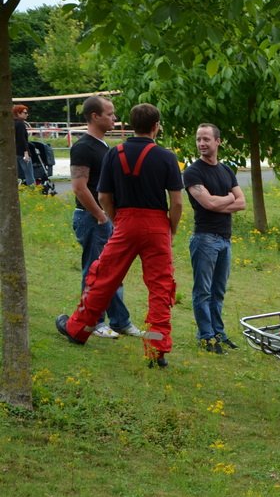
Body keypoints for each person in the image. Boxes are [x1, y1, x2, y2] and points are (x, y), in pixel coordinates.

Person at [56, 103, 183, 368]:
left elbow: (104, 196)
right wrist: (170, 229)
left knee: (102, 278)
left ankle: (77, 329)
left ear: (130, 126)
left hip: (124, 222)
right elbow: (177, 202)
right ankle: (157, 349)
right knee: (160, 287)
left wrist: (115, 220)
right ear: (156, 126)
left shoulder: (114, 154)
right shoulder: (167, 157)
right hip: (157, 225)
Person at [68, 96, 144, 340]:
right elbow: (80, 187)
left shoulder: (103, 147)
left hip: (107, 220)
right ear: (94, 116)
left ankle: (120, 321)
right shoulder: (83, 147)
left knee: (112, 271)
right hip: (92, 220)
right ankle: (93, 321)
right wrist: (101, 216)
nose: (114, 118)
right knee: (95, 271)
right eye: (110, 114)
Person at [183, 123, 246, 353]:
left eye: (206, 139)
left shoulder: (227, 170)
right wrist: (228, 198)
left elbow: (243, 203)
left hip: (225, 239)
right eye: (199, 139)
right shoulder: (192, 172)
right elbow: (207, 203)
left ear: (218, 141)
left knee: (218, 291)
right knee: (203, 291)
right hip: (204, 238)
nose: (201, 143)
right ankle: (206, 336)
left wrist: (220, 201)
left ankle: (218, 332)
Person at [14, 104, 34, 187]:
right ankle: (33, 190)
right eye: (25, 113)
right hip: (22, 152)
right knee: (29, 173)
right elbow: (22, 139)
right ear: (18, 113)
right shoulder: (21, 124)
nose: (27, 114)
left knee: (18, 174)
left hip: (14, 152)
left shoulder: (12, 123)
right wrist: (26, 152)